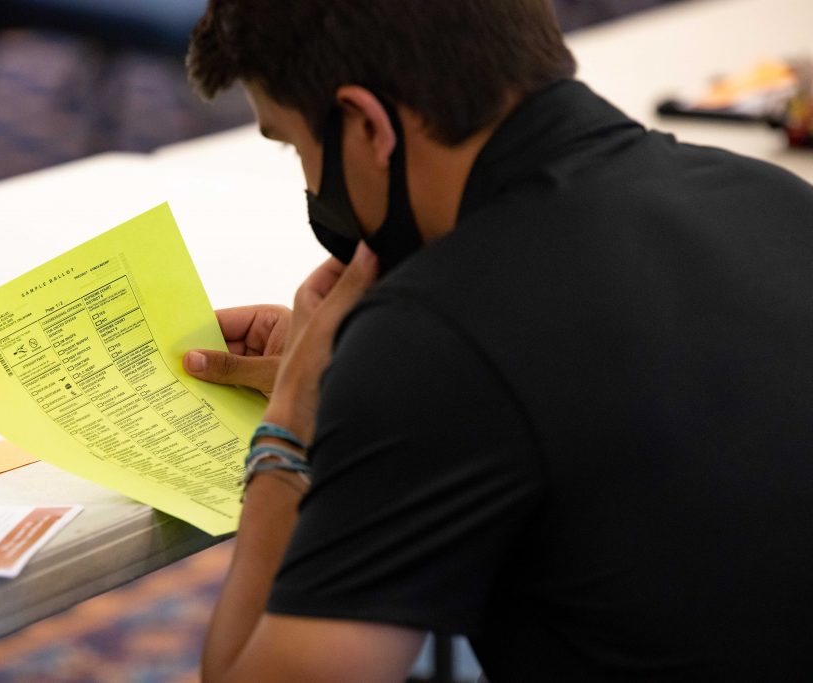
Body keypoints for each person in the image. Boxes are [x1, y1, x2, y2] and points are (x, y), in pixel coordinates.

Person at [179, 1, 813, 681]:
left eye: (293, 146)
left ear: (365, 124)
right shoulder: (774, 196)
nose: (308, 179)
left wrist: (295, 414)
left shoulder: (435, 337)